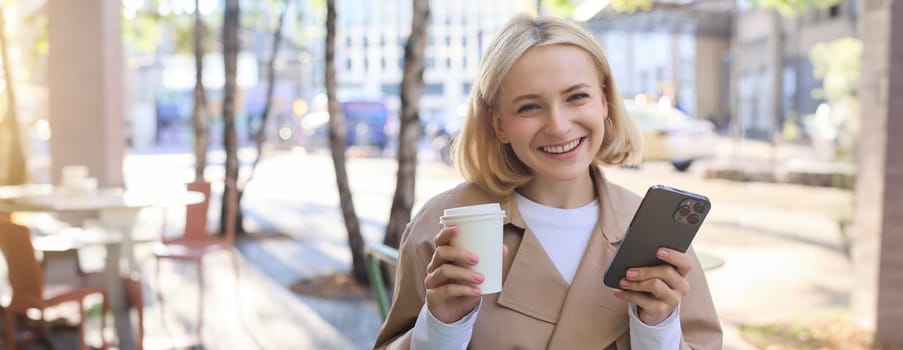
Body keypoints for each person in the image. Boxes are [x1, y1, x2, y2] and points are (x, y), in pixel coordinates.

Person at [374, 14, 722, 349]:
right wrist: (440, 329)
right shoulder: (445, 225)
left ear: (604, 100)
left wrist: (657, 329)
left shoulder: (651, 232)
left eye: (576, 97)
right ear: (498, 124)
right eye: (529, 107)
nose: (557, 125)